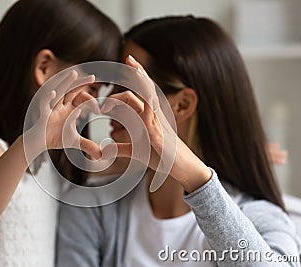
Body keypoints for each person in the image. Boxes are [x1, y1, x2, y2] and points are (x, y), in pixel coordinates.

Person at [56, 16, 301, 266]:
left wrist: (196, 179)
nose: (107, 104)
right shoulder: (92, 208)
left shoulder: (259, 218)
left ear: (182, 104)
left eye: (126, 86)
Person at [0, 0, 121, 266]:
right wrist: (32, 143)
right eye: (94, 88)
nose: (93, 104)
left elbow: (119, 163)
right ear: (44, 67)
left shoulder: (47, 161)